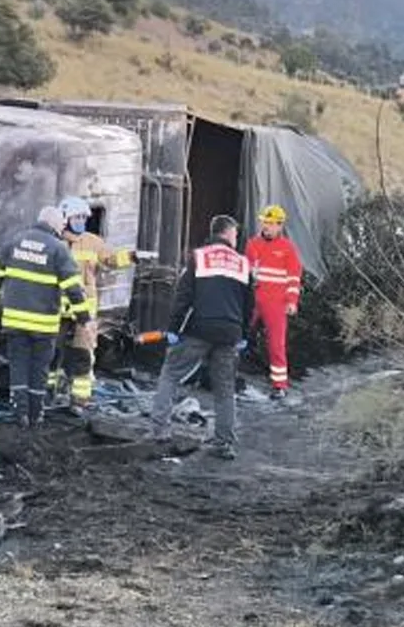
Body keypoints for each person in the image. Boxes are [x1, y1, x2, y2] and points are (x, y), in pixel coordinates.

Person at [148, 214, 255, 460]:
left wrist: (174, 329)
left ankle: (159, 431)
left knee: (171, 374)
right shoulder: (242, 263)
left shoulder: (198, 257)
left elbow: (183, 297)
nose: (236, 239)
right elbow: (250, 304)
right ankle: (224, 443)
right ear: (228, 234)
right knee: (225, 388)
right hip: (230, 332)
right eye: (236, 235)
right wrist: (245, 335)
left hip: (199, 329)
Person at [0, 206, 91, 428]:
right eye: (62, 223)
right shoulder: (58, 249)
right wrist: (84, 318)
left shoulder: (14, 242)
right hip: (44, 324)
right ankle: (36, 414)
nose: (64, 227)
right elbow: (73, 288)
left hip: (14, 321)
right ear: (52, 224)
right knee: (40, 368)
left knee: (18, 365)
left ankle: (19, 413)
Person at [48, 196, 138, 411]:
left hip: (84, 311)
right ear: (65, 218)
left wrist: (132, 257)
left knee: (83, 354)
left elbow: (111, 259)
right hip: (54, 308)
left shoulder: (92, 241)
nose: (81, 221)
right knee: (49, 353)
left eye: (83, 217)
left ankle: (79, 401)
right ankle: (46, 394)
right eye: (76, 217)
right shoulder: (52, 240)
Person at [244, 204, 303, 400]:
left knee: (276, 344)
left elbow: (294, 277)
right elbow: (246, 271)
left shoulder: (288, 248)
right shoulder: (252, 244)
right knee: (238, 336)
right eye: (264, 222)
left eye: (270, 223)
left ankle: (279, 385)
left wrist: (292, 301)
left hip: (276, 304)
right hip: (253, 299)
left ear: (280, 226)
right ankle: (227, 376)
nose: (266, 226)